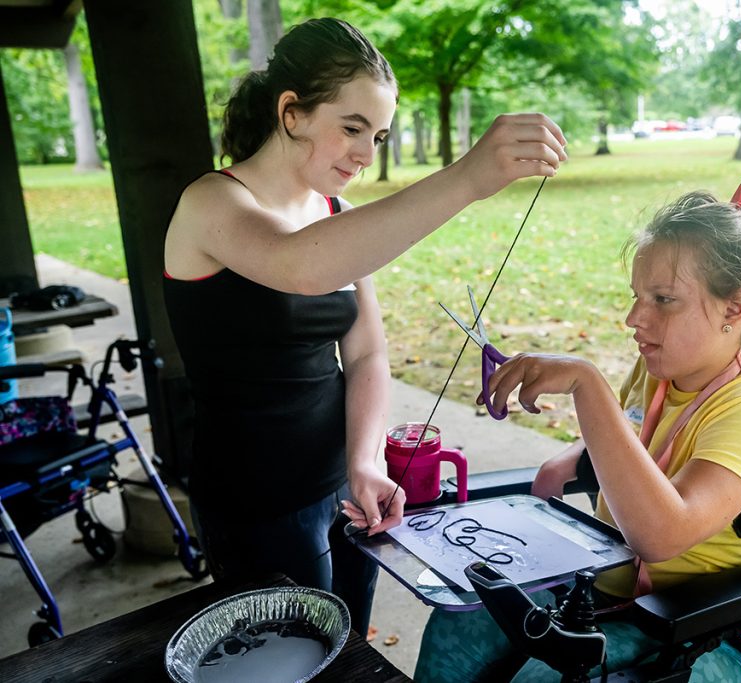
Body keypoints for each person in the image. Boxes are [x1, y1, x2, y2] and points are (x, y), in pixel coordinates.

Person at [162, 17, 565, 637]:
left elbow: (368, 351)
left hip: (346, 488)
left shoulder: (335, 213)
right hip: (256, 502)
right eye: (352, 128)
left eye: (377, 135)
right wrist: (467, 179)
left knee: (353, 647)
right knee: (294, 660)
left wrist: (365, 461)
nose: (364, 154)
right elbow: (302, 266)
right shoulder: (211, 204)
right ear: (291, 112)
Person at [415, 181, 741, 682]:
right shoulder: (657, 372)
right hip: (604, 595)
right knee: (455, 626)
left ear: (734, 308)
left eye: (663, 299)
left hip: (705, 624)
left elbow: (663, 536)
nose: (634, 318)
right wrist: (569, 460)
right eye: (637, 297)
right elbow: (631, 437)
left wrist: (587, 385)